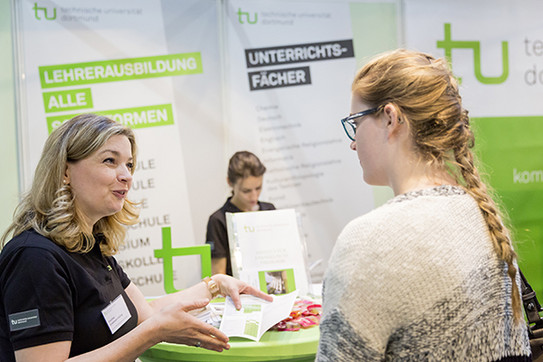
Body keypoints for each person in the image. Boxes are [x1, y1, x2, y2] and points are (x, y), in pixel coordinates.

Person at [0, 114, 273, 361]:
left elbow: (145, 310)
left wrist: (216, 285)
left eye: (129, 164)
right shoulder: (34, 258)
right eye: (110, 161)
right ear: (65, 172)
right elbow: (150, 323)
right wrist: (152, 332)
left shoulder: (89, 245)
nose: (127, 176)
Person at [317, 49, 531, 361]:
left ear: (390, 118)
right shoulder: (484, 218)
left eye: (355, 122)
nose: (352, 141)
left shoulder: (369, 242)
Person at [205, 151, 275, 276]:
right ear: (230, 183)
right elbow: (219, 275)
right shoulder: (218, 221)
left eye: (258, 188)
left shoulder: (269, 210)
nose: (254, 196)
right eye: (246, 191)